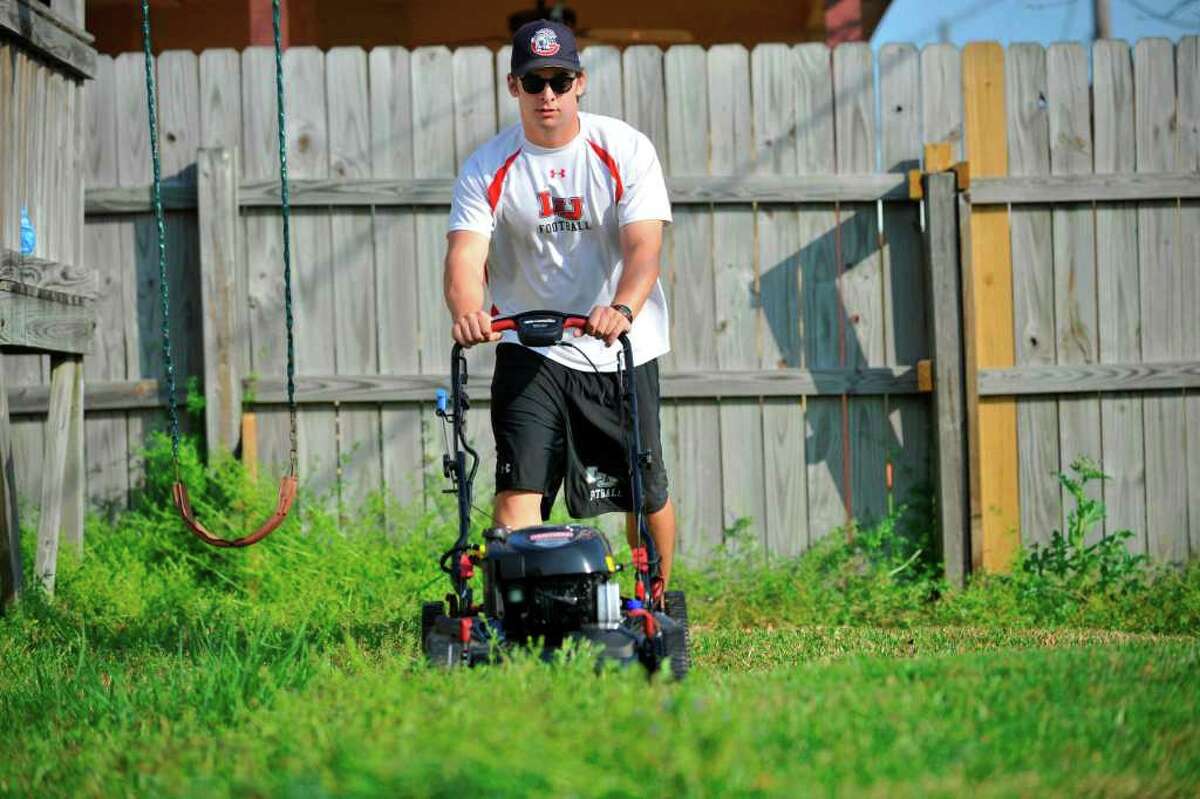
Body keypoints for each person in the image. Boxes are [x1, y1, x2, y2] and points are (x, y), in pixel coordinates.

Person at [443, 18, 677, 595]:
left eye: (559, 80)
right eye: (533, 82)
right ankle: (523, 612)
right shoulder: (487, 166)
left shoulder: (623, 148)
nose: (547, 94)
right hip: (530, 348)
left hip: (618, 345)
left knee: (642, 492)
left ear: (580, 83)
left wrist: (621, 309)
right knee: (516, 494)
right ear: (512, 87)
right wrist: (471, 310)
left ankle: (655, 596)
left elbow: (644, 247)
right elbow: (464, 257)